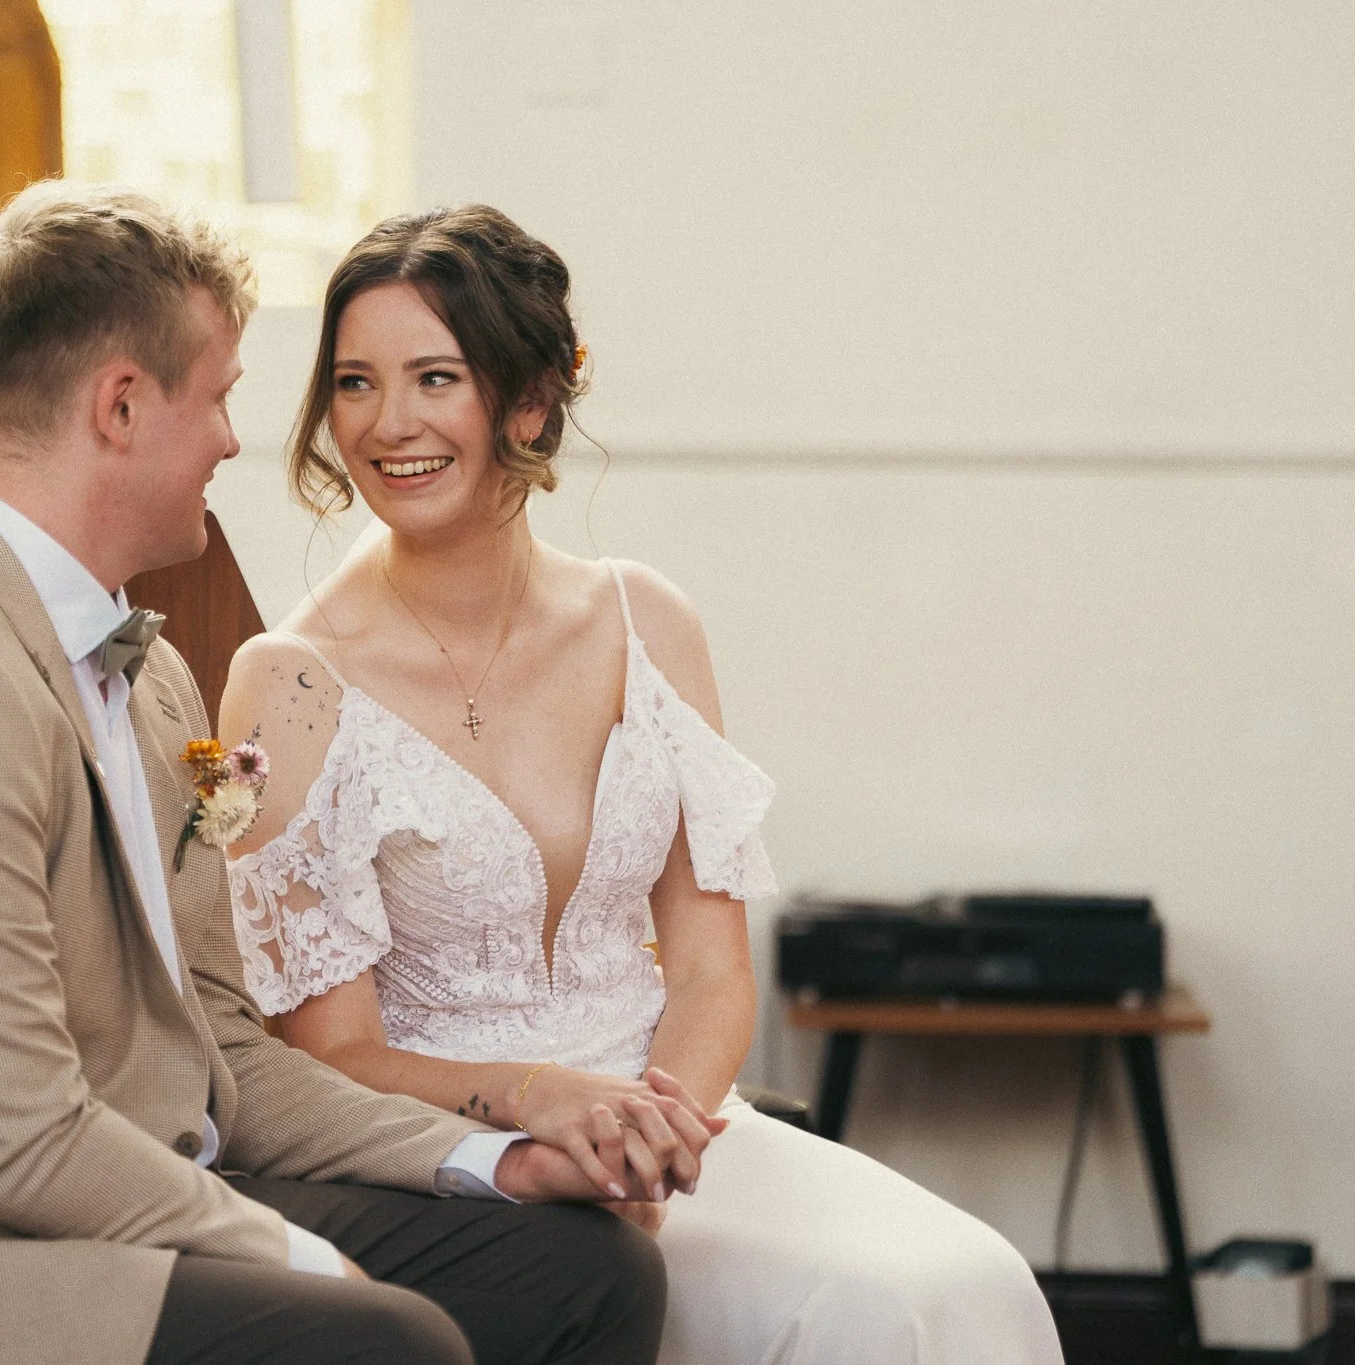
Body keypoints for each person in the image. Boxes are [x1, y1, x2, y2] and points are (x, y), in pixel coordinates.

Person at [0, 184, 682, 1365]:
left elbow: (225, 1055)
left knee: (581, 1272)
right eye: (219, 398)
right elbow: (13, 1141)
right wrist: (303, 1260)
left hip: (94, 1204)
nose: (233, 440)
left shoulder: (144, 676)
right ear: (121, 406)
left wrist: (495, 1152)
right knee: (384, 1343)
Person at [221, 204, 1069, 1365]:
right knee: (862, 1317)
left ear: (528, 399)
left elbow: (712, 966)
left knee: (967, 1284)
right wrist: (540, 1109)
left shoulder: (645, 620)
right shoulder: (289, 686)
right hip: (456, 1161)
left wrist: (651, 1137)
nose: (388, 424)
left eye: (435, 377)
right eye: (356, 384)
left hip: (675, 1129)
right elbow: (328, 1055)